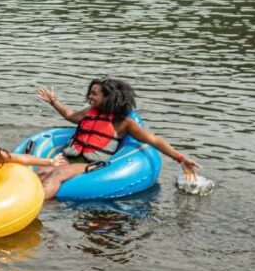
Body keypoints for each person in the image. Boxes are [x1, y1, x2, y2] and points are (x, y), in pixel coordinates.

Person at [35, 77, 201, 198]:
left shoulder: (123, 123)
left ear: (108, 97)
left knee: (57, 175)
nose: (89, 97)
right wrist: (53, 101)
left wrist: (181, 158)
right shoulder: (89, 113)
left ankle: (36, 207)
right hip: (72, 158)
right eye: (90, 93)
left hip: (92, 165)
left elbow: (154, 140)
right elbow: (70, 115)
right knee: (42, 172)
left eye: (94, 94)